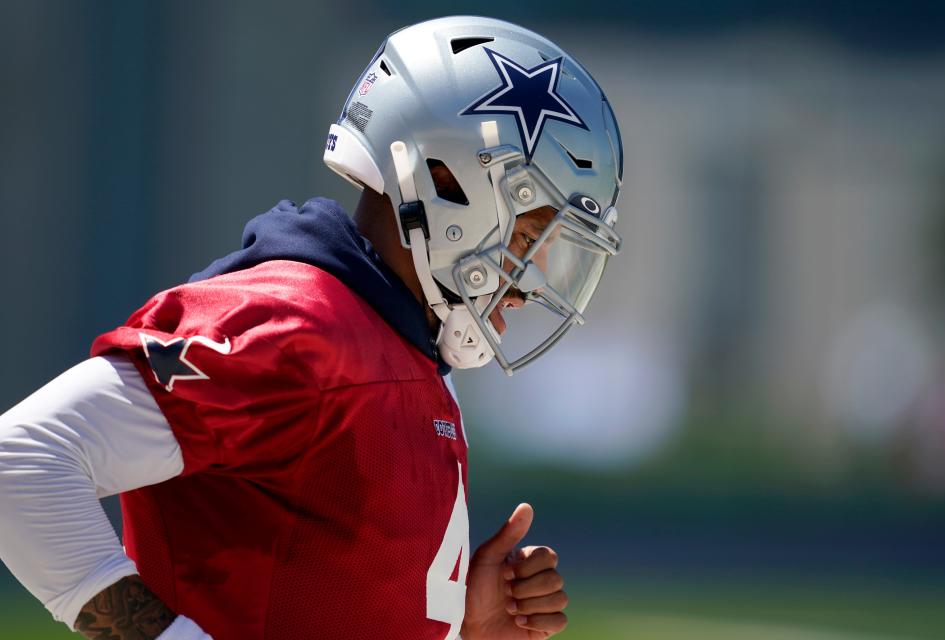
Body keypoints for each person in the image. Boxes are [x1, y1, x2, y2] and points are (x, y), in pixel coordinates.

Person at [0, 15, 622, 640]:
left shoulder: (406, 348)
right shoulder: (297, 327)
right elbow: (20, 461)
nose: (529, 273)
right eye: (526, 232)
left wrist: (461, 626)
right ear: (443, 179)